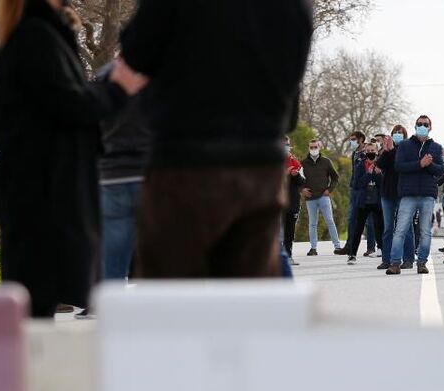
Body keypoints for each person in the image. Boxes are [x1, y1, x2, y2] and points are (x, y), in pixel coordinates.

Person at [117, 0, 312, 279]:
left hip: (184, 159)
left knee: (172, 296)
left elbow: (137, 51)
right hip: (260, 164)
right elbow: (291, 86)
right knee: (249, 294)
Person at [0, 0, 130, 317]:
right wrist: (117, 89)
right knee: (37, 306)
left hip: (39, 191)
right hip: (46, 194)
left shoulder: (33, 32)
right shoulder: (36, 36)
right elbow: (70, 103)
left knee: (38, 305)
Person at [97, 63, 151, 282]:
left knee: (112, 262)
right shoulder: (158, 71)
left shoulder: (106, 74)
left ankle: (110, 311)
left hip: (112, 174)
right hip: (149, 171)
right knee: (157, 259)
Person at [386, 115, 444, 275]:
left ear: (430, 127)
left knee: (425, 231)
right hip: (408, 194)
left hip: (427, 194)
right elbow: (399, 166)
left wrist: (429, 164)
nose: (422, 126)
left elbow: (440, 170)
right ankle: (395, 263)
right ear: (415, 126)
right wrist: (420, 164)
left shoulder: (436, 147)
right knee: (400, 230)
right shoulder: (405, 145)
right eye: (419, 124)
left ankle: (422, 262)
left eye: (425, 124)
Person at [377, 125, 415, 271]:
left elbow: (399, 165)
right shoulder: (387, 150)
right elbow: (379, 166)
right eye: (395, 133)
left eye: (400, 133)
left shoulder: (408, 149)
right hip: (387, 193)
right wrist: (386, 151)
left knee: (405, 227)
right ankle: (387, 259)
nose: (397, 135)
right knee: (387, 228)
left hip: (403, 193)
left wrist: (391, 150)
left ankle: (408, 258)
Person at [342, 141, 384, 264]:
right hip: (363, 201)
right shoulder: (360, 165)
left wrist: (379, 174)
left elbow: (384, 184)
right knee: (358, 228)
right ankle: (352, 254)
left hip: (377, 201)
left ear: (377, 151)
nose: (371, 153)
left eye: (373, 151)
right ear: (365, 152)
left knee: (379, 227)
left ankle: (382, 250)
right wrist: (368, 174)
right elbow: (356, 184)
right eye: (368, 151)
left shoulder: (381, 164)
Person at [301, 139, 343, 255]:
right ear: (308, 148)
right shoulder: (303, 163)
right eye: (311, 147)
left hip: (323, 197)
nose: (313, 149)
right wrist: (302, 189)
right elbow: (298, 180)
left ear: (319, 147)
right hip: (310, 198)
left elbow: (335, 177)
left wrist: (329, 189)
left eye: (315, 147)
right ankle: (313, 248)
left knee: (330, 220)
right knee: (313, 223)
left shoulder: (326, 162)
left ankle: (337, 246)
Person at [283, 136, 306, 265]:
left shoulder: (295, 162)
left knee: (289, 231)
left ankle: (288, 255)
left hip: (292, 201)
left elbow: (303, 181)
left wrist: (296, 175)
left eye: (287, 144)